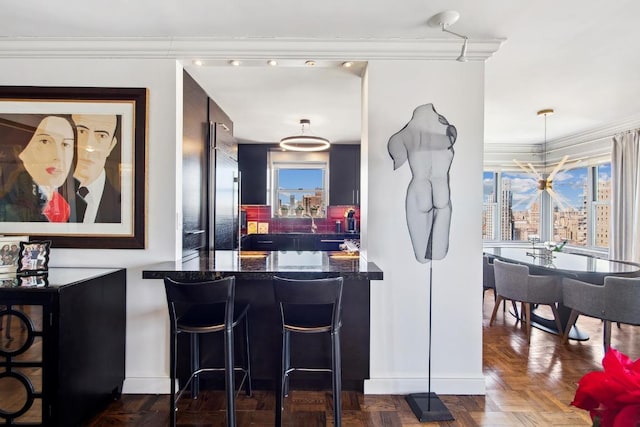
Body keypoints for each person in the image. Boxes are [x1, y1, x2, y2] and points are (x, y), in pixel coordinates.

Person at [387, 103, 457, 263]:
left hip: (420, 187)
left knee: (422, 258)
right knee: (438, 254)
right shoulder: (450, 131)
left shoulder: (403, 135)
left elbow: (397, 161)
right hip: (442, 187)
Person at [0, 114, 77, 222]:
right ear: (21, 151)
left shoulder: (66, 204)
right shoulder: (12, 199)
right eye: (45, 142)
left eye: (65, 144)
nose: (58, 156)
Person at [71, 114, 121, 223]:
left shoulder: (123, 209)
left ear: (111, 146)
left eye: (102, 136)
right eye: (82, 132)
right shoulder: (48, 192)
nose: (89, 146)